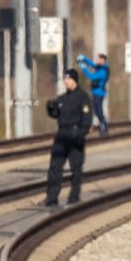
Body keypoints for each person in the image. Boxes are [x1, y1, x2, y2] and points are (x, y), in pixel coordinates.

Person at [44, 69, 93, 208]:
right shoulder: (62, 98)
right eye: (65, 79)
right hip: (62, 135)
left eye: (69, 79)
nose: (67, 82)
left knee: (76, 168)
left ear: (75, 80)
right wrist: (50, 108)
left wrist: (80, 134)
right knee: (55, 167)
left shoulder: (83, 97)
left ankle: (74, 197)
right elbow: (55, 115)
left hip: (75, 135)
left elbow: (87, 119)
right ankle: (52, 197)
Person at [76, 51, 111, 136]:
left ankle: (104, 127)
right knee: (94, 110)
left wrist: (83, 67)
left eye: (100, 59)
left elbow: (91, 76)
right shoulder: (100, 67)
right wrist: (84, 58)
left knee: (98, 111)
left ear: (103, 60)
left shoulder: (103, 71)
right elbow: (92, 64)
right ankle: (96, 126)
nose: (98, 61)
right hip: (95, 92)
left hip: (99, 93)